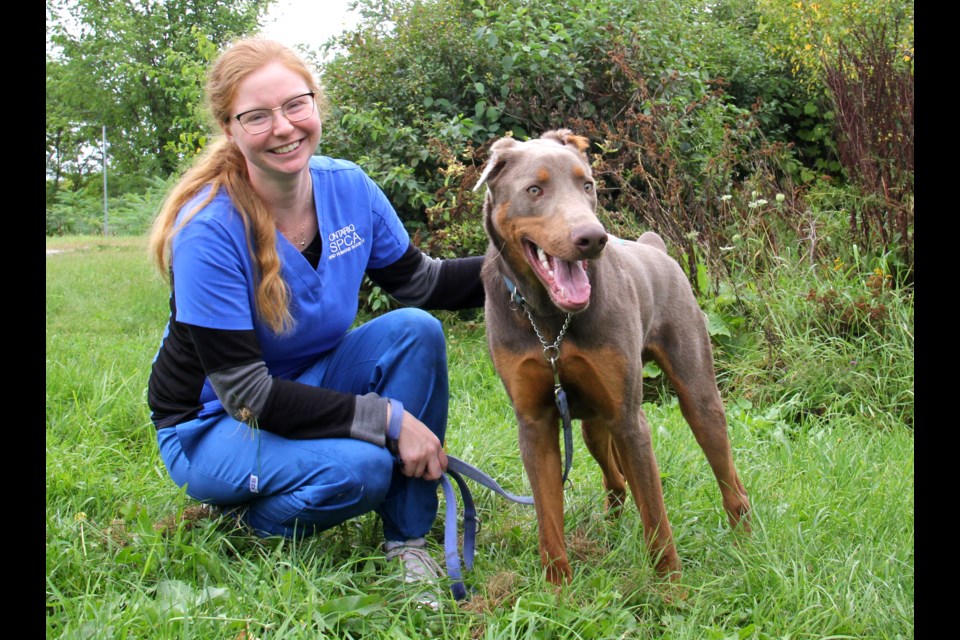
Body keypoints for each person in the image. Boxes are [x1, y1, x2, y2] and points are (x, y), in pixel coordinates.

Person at [146, 38, 484, 605]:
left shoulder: (347, 186)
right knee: (361, 470)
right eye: (257, 116)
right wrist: (389, 420)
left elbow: (421, 284)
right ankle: (247, 523)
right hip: (211, 423)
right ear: (229, 128)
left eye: (295, 105)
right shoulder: (206, 229)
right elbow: (248, 394)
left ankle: (407, 543)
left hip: (310, 378)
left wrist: (530, 258)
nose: (283, 127)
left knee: (414, 330)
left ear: (316, 104)